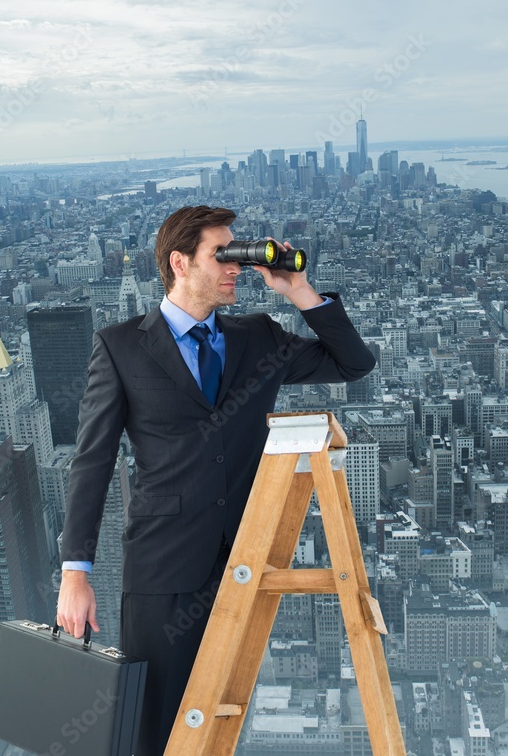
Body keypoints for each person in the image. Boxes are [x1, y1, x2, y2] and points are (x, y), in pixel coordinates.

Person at [57, 204, 376, 756]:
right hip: (164, 569)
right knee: (156, 729)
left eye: (237, 253)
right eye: (220, 255)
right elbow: (92, 460)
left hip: (249, 560)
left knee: (222, 723)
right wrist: (75, 571)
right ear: (179, 263)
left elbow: (354, 364)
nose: (235, 266)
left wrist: (299, 292)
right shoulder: (122, 346)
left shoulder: (259, 337)